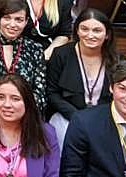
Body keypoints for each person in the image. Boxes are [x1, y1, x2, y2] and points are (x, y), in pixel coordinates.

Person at [46, 8, 120, 145]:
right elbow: (51, 93)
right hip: (67, 116)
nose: (90, 35)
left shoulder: (118, 60)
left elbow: (121, 96)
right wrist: (77, 116)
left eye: (97, 30)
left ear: (107, 34)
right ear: (77, 31)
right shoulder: (61, 55)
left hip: (104, 118)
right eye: (84, 29)